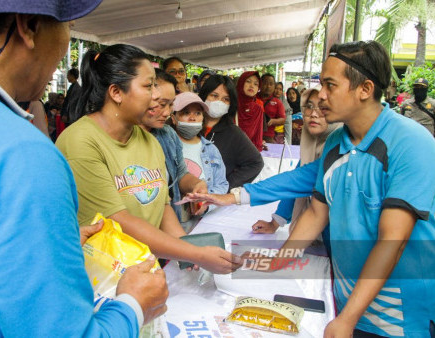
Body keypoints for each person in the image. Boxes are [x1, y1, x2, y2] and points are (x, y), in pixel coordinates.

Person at [0, 2, 168, 337]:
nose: (65, 48)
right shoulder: (20, 154)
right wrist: (133, 305)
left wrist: (48, 242)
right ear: (29, 26)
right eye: (68, 25)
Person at [274, 41, 435, 336]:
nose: (320, 96)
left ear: (365, 89)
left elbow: (393, 241)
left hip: (399, 316)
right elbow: (316, 213)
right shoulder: (336, 143)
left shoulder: (411, 143)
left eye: (330, 85)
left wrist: (347, 320)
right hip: (346, 303)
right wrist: (276, 262)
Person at [56, 45, 241, 274]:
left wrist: (192, 249)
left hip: (143, 274)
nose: (156, 95)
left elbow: (162, 209)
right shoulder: (80, 141)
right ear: (116, 93)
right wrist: (195, 253)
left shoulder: (150, 142)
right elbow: (118, 222)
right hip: (100, 279)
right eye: (148, 86)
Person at [185, 86, 341, 238]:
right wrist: (275, 222)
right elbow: (294, 185)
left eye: (322, 107)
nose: (314, 114)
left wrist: (231, 196)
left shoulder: (340, 149)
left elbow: (295, 182)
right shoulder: (312, 147)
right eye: (309, 106)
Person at [140, 69, 208, 223]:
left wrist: (196, 184)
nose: (167, 112)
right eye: (161, 104)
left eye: (171, 105)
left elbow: (181, 174)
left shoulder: (168, 134)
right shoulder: (124, 138)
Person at [199, 74, 264, 189]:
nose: (219, 102)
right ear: (204, 96)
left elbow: (256, 163)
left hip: (211, 200)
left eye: (226, 99)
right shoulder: (189, 124)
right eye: (214, 96)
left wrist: (226, 185)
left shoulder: (234, 133)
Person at [170, 92, 229, 196]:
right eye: (186, 112)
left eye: (198, 113)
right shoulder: (167, 147)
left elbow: (222, 185)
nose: (193, 118)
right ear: (173, 118)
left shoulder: (211, 149)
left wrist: (204, 200)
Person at [236, 71, 265, 150]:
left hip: (248, 153)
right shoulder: (231, 105)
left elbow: (257, 138)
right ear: (241, 83)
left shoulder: (257, 109)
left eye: (256, 84)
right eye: (248, 81)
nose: (252, 86)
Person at [259, 73, 286, 143]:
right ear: (260, 84)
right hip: (250, 135)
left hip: (268, 137)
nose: (268, 86)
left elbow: (283, 119)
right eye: (265, 83)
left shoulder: (277, 102)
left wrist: (272, 121)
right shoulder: (253, 98)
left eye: (271, 84)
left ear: (274, 86)